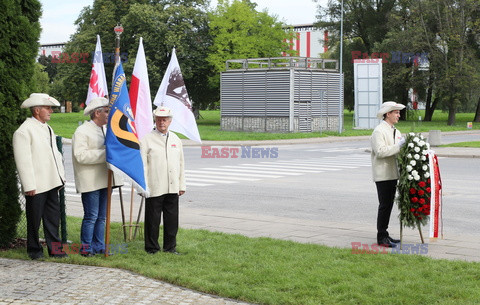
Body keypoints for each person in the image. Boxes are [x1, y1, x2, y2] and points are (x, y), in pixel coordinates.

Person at [13, 93, 67, 259]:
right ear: (37, 110)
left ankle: (55, 250)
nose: (51, 111)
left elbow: (55, 155)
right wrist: (29, 185)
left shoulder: (46, 127)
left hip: (51, 182)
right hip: (36, 185)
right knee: (34, 220)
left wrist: (61, 177)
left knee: (52, 218)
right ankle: (34, 250)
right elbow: (23, 161)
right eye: (47, 108)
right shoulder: (24, 131)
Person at [72, 97, 122, 257]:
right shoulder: (82, 131)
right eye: (106, 111)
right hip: (90, 181)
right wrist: (105, 154)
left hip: (105, 179)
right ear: (97, 113)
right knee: (92, 216)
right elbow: (80, 156)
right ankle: (86, 248)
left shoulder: (107, 129)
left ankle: (99, 246)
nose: (109, 114)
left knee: (102, 216)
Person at [140, 106, 186, 255]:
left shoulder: (175, 139)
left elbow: (181, 164)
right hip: (154, 186)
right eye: (159, 119)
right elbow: (143, 165)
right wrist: (143, 186)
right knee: (153, 220)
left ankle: (170, 247)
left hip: (172, 186)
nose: (161, 122)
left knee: (172, 220)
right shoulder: (147, 139)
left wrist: (181, 184)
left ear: (170, 121)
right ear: (155, 120)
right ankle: (152, 248)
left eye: (164, 119)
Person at [371, 101, 406, 248]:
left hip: (393, 173)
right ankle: (381, 236)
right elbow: (380, 151)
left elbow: (397, 150)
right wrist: (398, 146)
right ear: (388, 114)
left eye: (398, 112)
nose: (398, 115)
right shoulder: (379, 131)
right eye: (396, 112)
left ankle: (385, 234)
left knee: (389, 205)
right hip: (383, 174)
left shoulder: (395, 131)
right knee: (385, 205)